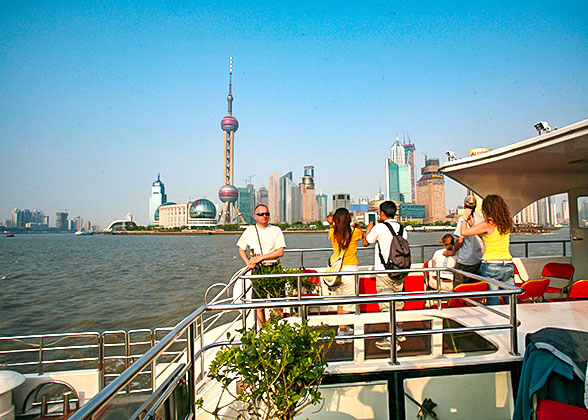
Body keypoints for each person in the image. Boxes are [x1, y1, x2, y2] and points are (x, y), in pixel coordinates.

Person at [363, 201, 408, 351]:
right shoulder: (402, 229)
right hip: (400, 272)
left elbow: (365, 243)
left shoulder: (379, 228)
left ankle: (391, 340)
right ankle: (399, 332)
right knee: (398, 304)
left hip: (384, 272)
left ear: (382, 213)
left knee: (386, 307)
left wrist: (368, 230)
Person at [459, 194, 514, 306]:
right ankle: (513, 321)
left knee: (493, 299)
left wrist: (464, 218)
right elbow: (487, 237)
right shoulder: (506, 223)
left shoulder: (488, 223)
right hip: (508, 264)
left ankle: (496, 322)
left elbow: (463, 232)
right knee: (510, 298)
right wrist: (472, 225)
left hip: (491, 265)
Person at [236, 204, 286, 326]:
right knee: (259, 303)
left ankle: (276, 328)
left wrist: (260, 258)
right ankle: (263, 330)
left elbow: (280, 252)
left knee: (278, 301)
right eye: (261, 214)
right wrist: (248, 262)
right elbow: (241, 249)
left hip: (274, 268)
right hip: (258, 270)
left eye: (267, 214)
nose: (264, 216)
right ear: (255, 216)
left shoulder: (276, 230)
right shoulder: (249, 231)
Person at [327, 208, 363, 341]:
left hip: (337, 270)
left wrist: (332, 225)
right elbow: (362, 236)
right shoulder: (354, 232)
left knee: (341, 302)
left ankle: (342, 328)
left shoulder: (333, 232)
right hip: (350, 269)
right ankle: (342, 331)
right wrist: (358, 225)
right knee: (349, 303)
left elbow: (332, 233)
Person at [444, 195, 484, 286]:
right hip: (479, 259)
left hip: (465, 261)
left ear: (464, 205)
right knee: (476, 288)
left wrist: (453, 250)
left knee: (459, 287)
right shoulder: (481, 219)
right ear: (476, 205)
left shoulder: (462, 219)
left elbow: (460, 239)